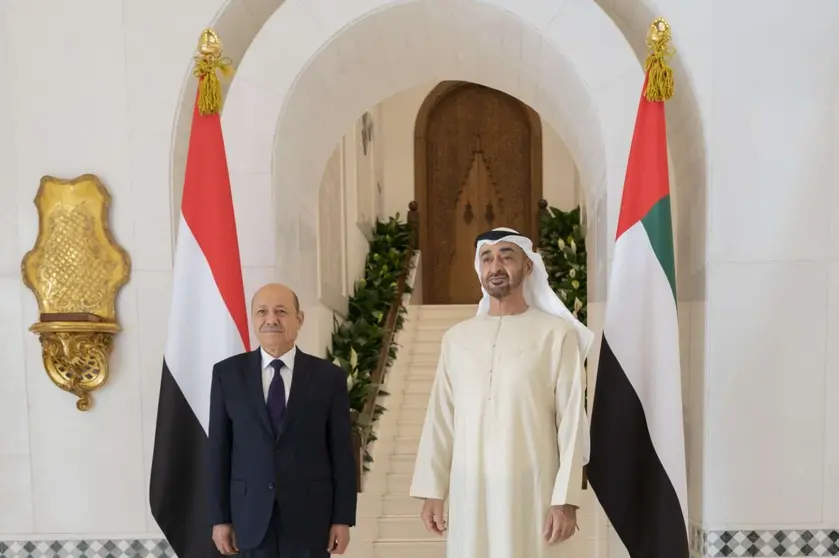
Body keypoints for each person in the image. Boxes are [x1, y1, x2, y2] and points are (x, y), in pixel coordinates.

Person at [409, 227, 594, 558]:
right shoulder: (456, 339)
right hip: (470, 494)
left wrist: (565, 499)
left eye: (507, 256)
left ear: (527, 267)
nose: (496, 266)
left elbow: (572, 424)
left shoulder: (556, 335)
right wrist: (432, 491)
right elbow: (441, 419)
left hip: (531, 494)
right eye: (487, 258)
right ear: (479, 269)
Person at [207, 283, 357, 558]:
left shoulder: (328, 377)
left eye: (281, 311)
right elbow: (218, 450)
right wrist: (220, 518)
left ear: (299, 319)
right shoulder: (227, 375)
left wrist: (342, 518)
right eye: (262, 312)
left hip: (311, 519)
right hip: (249, 518)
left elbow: (341, 452)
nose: (271, 319)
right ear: (253, 319)